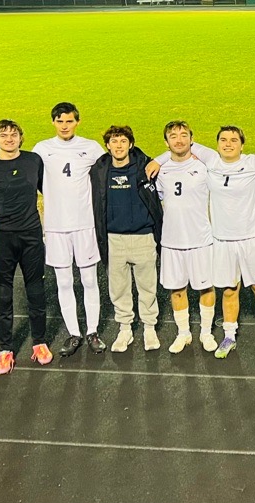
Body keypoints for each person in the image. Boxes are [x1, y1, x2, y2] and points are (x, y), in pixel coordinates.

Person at [154, 126, 255, 358]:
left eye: (233, 140)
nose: (228, 144)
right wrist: (157, 161)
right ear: (217, 143)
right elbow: (180, 147)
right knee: (230, 290)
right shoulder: (210, 160)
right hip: (222, 239)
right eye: (223, 139)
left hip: (253, 238)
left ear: (242, 144)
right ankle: (229, 335)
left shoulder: (254, 162)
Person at [0, 119, 51, 374]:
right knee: (3, 296)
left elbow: (50, 191)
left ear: (21, 137)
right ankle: (5, 350)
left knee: (37, 293)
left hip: (31, 236)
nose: (9, 138)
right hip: (2, 239)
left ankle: (39, 343)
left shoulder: (34, 161)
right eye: (3, 134)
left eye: (14, 134)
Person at [32, 102, 105, 356]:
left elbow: (114, 165)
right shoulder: (41, 149)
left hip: (85, 225)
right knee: (63, 282)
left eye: (69, 121)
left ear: (77, 122)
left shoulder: (91, 147)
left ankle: (92, 331)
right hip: (55, 228)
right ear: (53, 122)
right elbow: (25, 181)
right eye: (60, 121)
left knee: (88, 280)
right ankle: (74, 334)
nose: (65, 125)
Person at [90, 125, 162, 353]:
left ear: (131, 144)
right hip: (114, 239)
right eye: (114, 141)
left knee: (147, 287)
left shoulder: (145, 166)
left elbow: (177, 156)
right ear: (108, 145)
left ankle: (149, 327)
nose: (118, 145)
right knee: (118, 288)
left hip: (142, 236)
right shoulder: (99, 170)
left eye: (123, 141)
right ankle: (125, 328)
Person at [152, 121, 217, 353]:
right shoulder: (160, 170)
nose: (178, 140)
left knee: (206, 287)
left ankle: (206, 333)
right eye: (173, 136)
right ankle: (183, 333)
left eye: (183, 135)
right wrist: (159, 160)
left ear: (192, 138)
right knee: (176, 289)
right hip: (172, 241)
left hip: (201, 239)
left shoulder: (204, 165)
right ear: (166, 141)